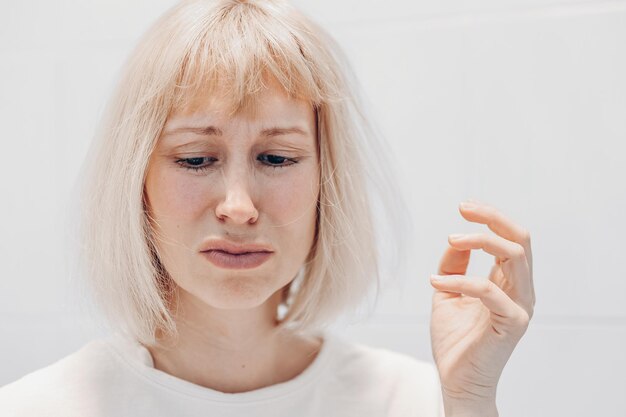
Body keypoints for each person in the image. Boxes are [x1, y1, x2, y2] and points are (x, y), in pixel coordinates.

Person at [0, 0, 535, 416]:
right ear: (137, 184)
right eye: (196, 159)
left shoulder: (421, 401)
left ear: (328, 182)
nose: (238, 207)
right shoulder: (35, 408)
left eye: (277, 157)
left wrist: (468, 403)